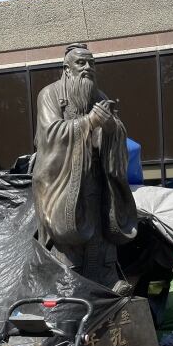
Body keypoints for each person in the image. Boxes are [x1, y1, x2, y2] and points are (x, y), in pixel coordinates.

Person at [32, 43, 138, 289]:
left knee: (100, 228)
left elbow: (116, 130)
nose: (88, 67)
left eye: (92, 63)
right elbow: (49, 135)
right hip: (62, 182)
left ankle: (105, 277)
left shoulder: (98, 97)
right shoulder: (49, 94)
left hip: (95, 179)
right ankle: (68, 280)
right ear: (66, 69)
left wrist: (111, 128)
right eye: (81, 63)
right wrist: (89, 121)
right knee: (70, 234)